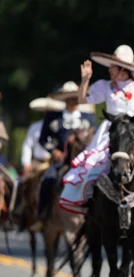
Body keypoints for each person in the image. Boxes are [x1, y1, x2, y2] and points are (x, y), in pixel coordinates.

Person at [60, 45, 134, 215]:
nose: (110, 70)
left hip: (133, 128)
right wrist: (85, 80)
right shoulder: (104, 86)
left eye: (113, 66)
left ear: (123, 69)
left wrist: (127, 122)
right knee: (96, 163)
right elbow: (83, 100)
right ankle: (91, 199)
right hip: (111, 129)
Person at [31, 82, 97, 230]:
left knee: (98, 182)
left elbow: (95, 138)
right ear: (64, 99)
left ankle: (97, 217)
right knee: (48, 179)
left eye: (75, 98)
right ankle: (43, 215)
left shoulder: (88, 118)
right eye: (69, 98)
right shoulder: (53, 117)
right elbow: (43, 138)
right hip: (60, 161)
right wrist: (54, 150)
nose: (73, 101)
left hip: (83, 162)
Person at [21, 97, 65, 177]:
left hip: (55, 161)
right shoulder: (35, 126)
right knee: (25, 180)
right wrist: (26, 163)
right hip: (39, 162)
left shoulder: (60, 125)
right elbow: (27, 144)